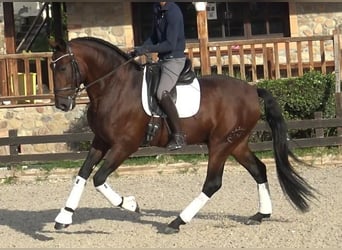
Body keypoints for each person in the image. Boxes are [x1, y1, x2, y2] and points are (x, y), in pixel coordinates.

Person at [134, 2, 186, 151]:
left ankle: (178, 136)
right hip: (162, 59)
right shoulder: (157, 9)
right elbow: (154, 37)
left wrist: (148, 49)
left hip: (174, 59)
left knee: (161, 92)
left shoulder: (173, 12)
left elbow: (170, 44)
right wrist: (140, 48)